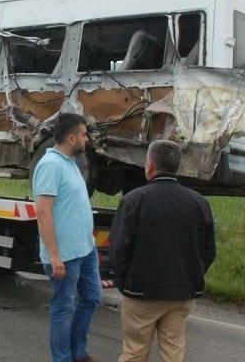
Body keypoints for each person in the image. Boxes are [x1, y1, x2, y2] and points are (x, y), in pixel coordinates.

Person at [109, 140, 216, 362]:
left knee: (135, 352)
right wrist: (191, 275)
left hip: (141, 292)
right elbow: (208, 251)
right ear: (177, 167)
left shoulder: (133, 200)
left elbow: (119, 249)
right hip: (182, 293)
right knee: (173, 351)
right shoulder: (199, 203)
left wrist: (124, 283)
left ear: (149, 166)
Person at [32, 113, 101, 362]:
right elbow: (42, 211)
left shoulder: (70, 163)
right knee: (63, 307)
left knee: (92, 298)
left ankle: (77, 352)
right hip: (64, 254)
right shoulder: (51, 165)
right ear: (71, 138)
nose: (87, 139)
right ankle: (63, 358)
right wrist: (53, 255)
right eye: (84, 134)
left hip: (85, 250)